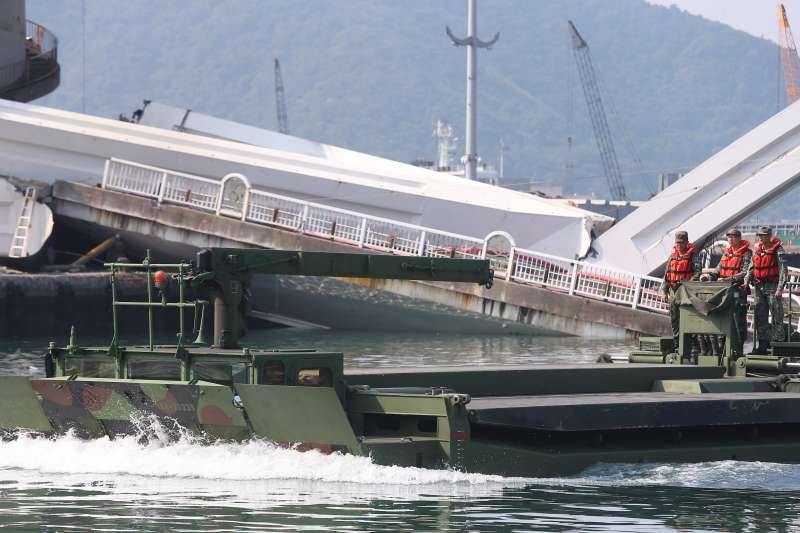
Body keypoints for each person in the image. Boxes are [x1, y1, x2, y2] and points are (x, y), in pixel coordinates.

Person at [700, 229, 752, 355]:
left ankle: (738, 349)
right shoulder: (726, 253)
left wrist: (728, 279)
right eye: (729, 237)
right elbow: (718, 270)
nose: (730, 239)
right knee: (723, 319)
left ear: (739, 238)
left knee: (738, 321)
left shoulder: (747, 254)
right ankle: (722, 349)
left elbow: (745, 272)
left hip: (738, 292)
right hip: (724, 293)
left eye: (733, 237)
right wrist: (708, 277)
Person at [744, 226, 788, 354]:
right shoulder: (757, 249)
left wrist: (780, 288)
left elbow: (783, 270)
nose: (761, 238)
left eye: (764, 235)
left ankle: (778, 345)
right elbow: (751, 268)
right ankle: (763, 345)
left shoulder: (778, 250)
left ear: (769, 235)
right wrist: (747, 280)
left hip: (772, 287)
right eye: (760, 235)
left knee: (777, 315)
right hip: (759, 287)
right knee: (759, 315)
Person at [662, 231, 701, 347]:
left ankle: (692, 345)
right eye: (677, 243)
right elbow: (667, 274)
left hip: (685, 291)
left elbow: (698, 272)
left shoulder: (693, 256)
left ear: (687, 243)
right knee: (674, 318)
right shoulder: (672, 256)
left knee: (688, 317)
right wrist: (665, 291)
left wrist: (688, 284)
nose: (679, 245)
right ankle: (677, 342)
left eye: (681, 243)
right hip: (673, 291)